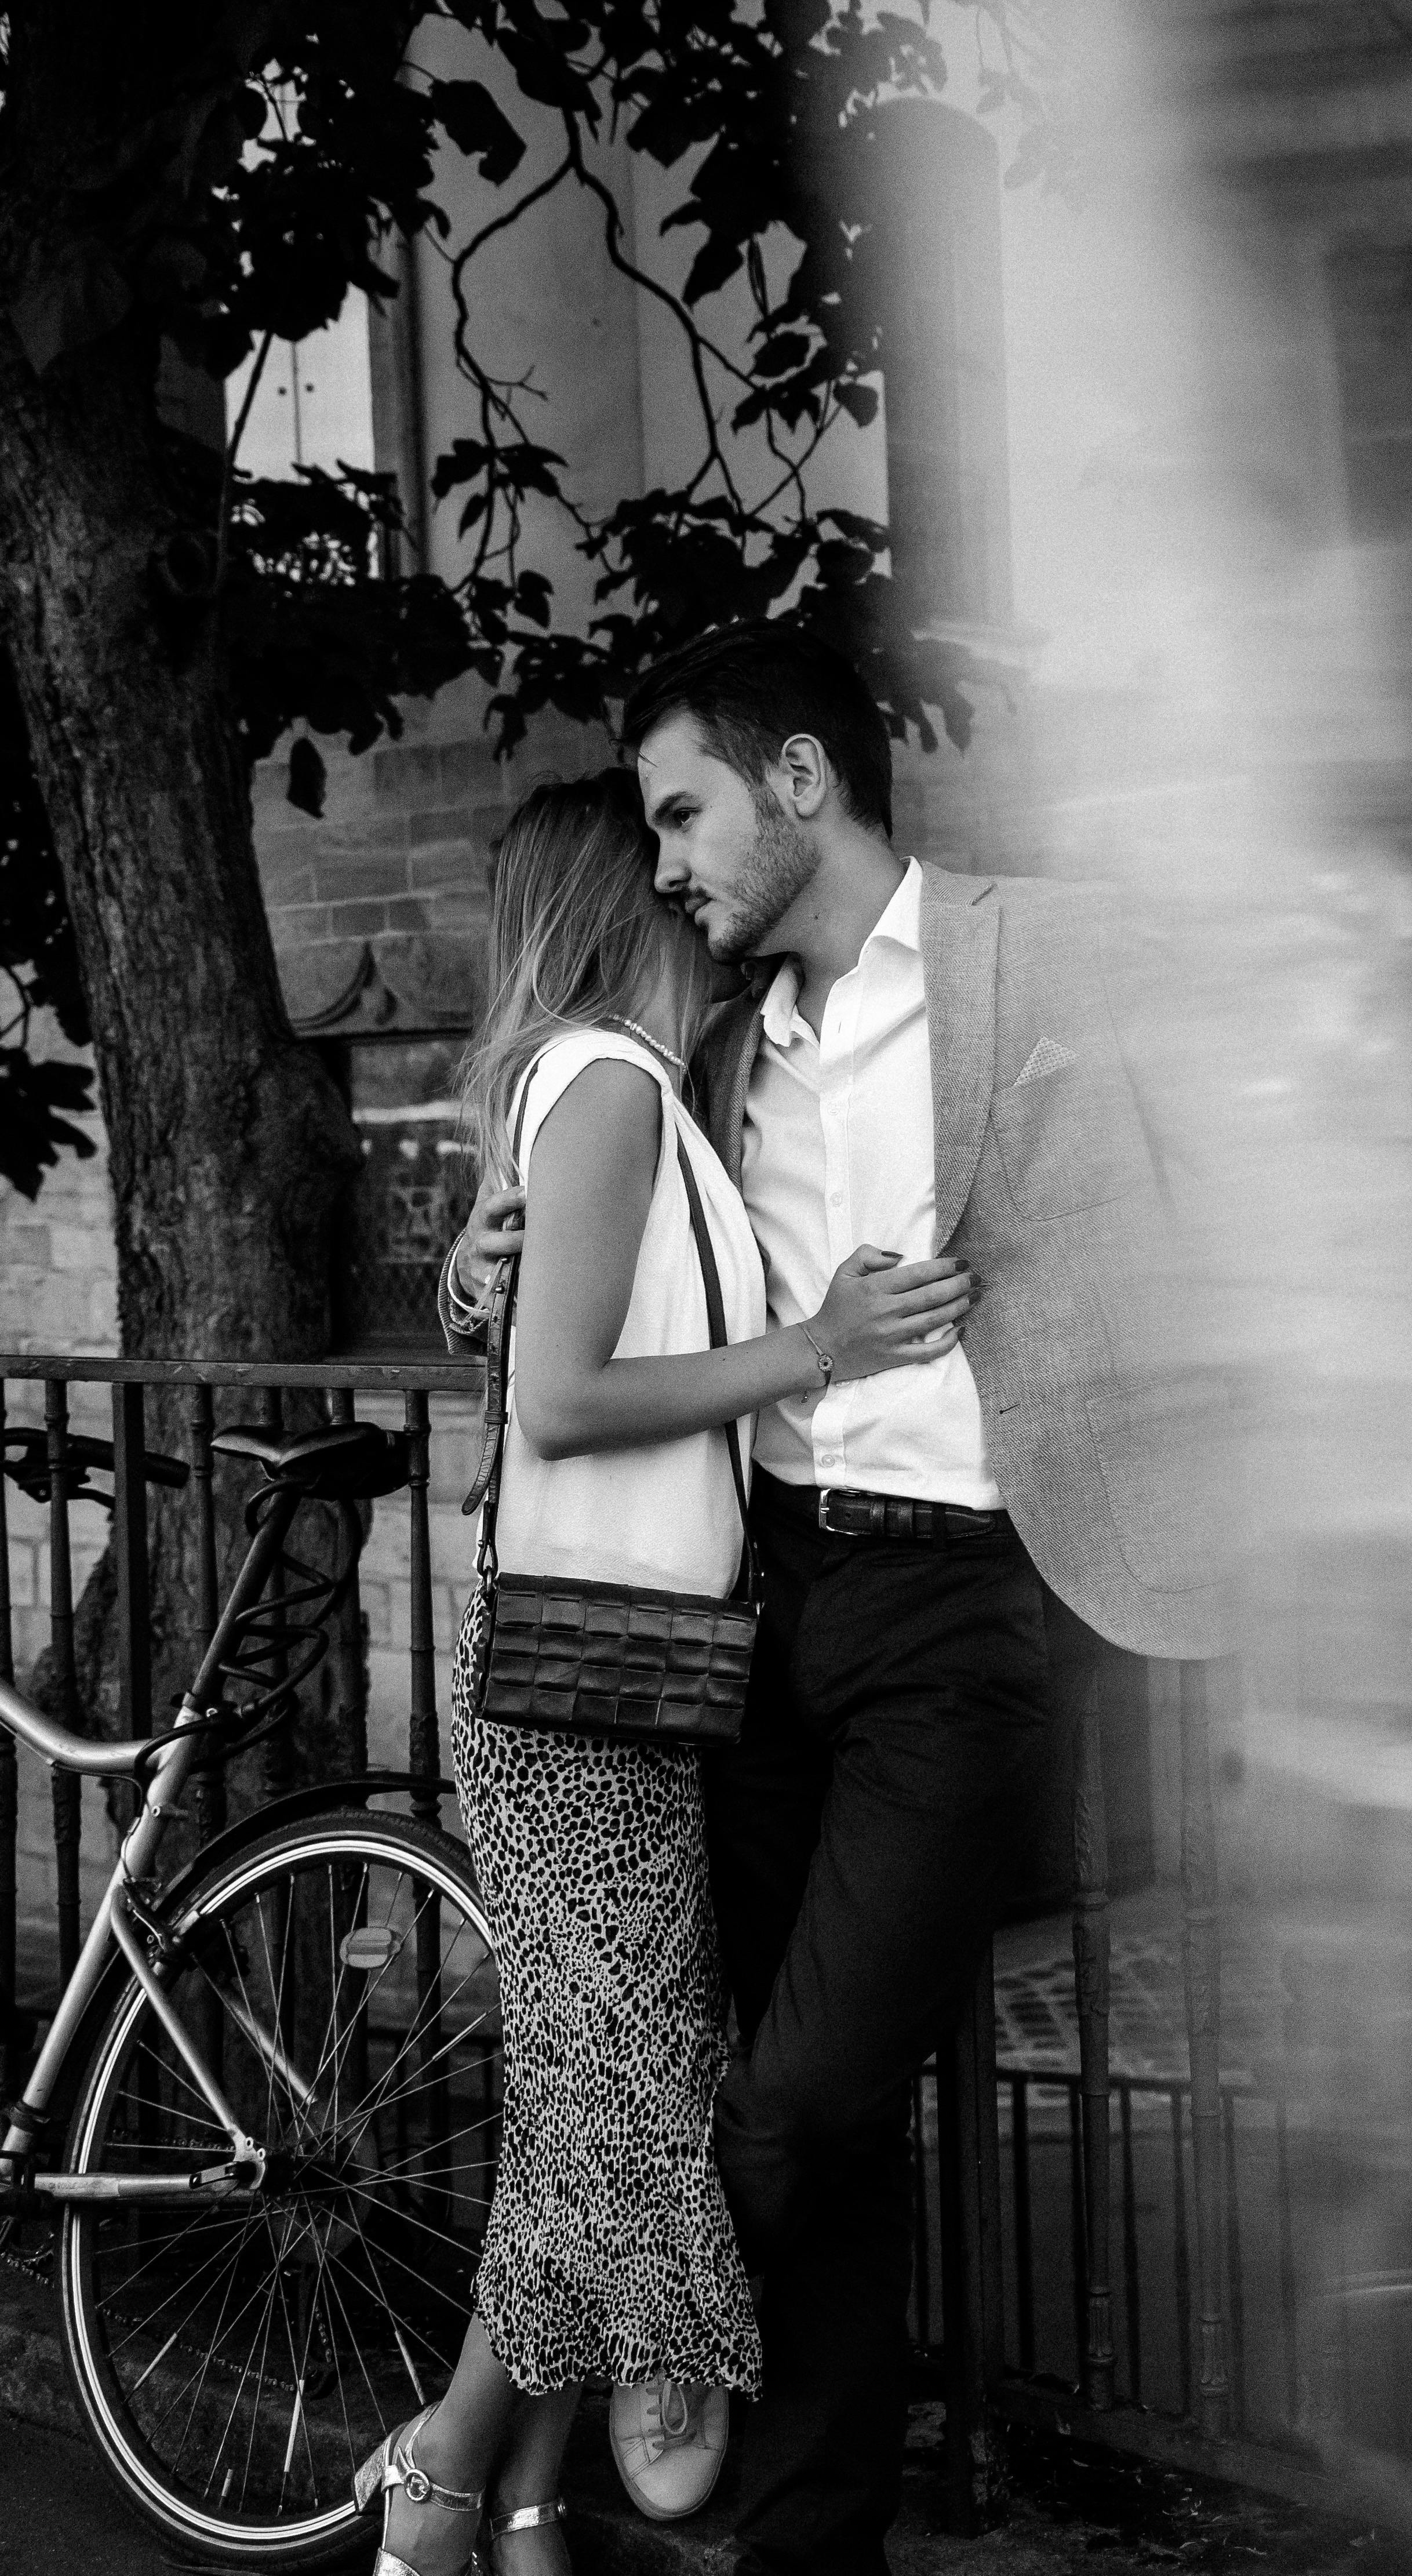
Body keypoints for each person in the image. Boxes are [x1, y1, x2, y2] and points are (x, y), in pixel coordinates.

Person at [446, 628, 1233, 2576]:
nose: (667, 864)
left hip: (965, 1610)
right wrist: (477, 1269)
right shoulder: (698, 1034)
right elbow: (590, 1280)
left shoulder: (1043, 952)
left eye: (686, 810)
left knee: (788, 2106)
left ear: (803, 780)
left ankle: (552, 2441)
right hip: (762, 1598)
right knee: (807, 2109)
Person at [364, 771, 973, 2576]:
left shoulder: (628, 1093)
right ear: (610, 899)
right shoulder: (616, 1085)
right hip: (585, 1681)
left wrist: (478, 1292)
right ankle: (452, 2465)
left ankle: (516, 2488)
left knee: (603, 2084)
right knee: (621, 2086)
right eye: (661, 858)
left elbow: (545, 1338)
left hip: (618, 1672)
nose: (685, 881)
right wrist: (818, 1344)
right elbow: (563, 1403)